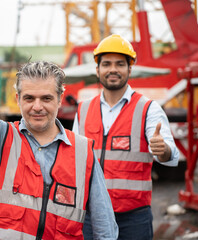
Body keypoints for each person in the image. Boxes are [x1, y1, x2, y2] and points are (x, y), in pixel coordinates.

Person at [0, 28, 118, 239]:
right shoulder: (1, 137)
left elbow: (104, 225)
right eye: (29, 98)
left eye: (46, 98)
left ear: (60, 99)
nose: (37, 107)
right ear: (17, 99)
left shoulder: (83, 152)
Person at [72, 34, 180, 240]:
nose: (113, 69)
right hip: (89, 215)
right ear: (98, 69)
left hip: (133, 218)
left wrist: (162, 149)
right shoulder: (83, 110)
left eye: (120, 64)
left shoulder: (148, 109)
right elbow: (73, 161)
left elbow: (169, 154)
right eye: (107, 64)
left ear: (130, 69)